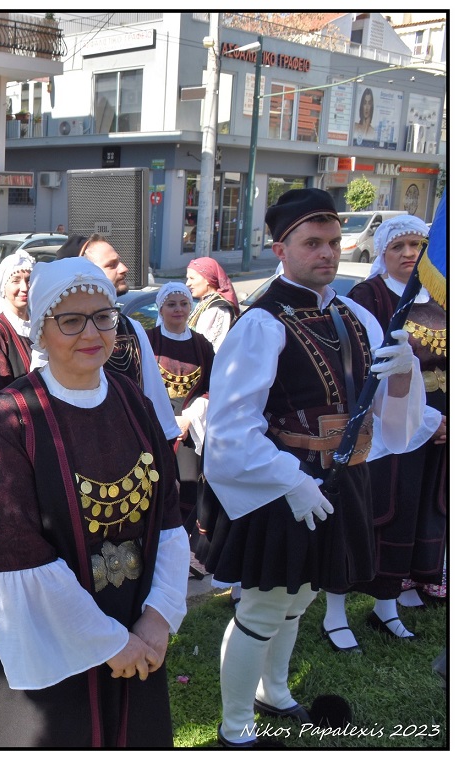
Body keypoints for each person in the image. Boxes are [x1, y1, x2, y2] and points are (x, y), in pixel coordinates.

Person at [201, 189, 425, 747]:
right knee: (264, 606)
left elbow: (388, 417)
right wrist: (292, 481)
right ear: (281, 249)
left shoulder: (352, 314)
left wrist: (403, 374)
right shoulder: (261, 324)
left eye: (332, 242)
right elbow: (231, 428)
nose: (325, 253)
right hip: (283, 485)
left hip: (345, 480)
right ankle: (235, 729)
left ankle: (273, 691)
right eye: (311, 243)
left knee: (300, 598)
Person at [0, 257, 188, 747]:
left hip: (134, 615)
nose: (92, 333)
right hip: (49, 629)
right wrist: (108, 642)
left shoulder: (133, 401)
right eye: (71, 320)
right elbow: (15, 549)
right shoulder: (10, 418)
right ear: (41, 329)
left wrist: (158, 616)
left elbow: (168, 517)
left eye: (103, 317)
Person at [321, 214, 446, 649]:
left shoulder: (440, 295)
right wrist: (426, 419)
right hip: (381, 428)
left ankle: (386, 605)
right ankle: (335, 613)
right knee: (363, 515)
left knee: (407, 516)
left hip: (429, 429)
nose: (409, 254)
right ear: (383, 253)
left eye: (417, 246)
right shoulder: (366, 298)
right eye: (399, 247)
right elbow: (359, 366)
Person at [54, 234, 182, 441]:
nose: (123, 268)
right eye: (111, 265)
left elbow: (155, 403)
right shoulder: (54, 333)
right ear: (84, 274)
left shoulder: (132, 328)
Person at [145, 282, 214, 523]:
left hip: (189, 424)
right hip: (154, 421)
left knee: (188, 484)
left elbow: (213, 386)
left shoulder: (202, 344)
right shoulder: (148, 341)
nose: (178, 309)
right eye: (171, 304)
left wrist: (190, 418)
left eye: (184, 304)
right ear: (160, 309)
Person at [0, 251, 35, 395]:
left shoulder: (41, 324)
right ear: (3, 287)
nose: (24, 288)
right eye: (16, 281)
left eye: (29, 280)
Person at [186, 257, 240, 352]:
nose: (188, 283)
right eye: (188, 278)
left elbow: (213, 347)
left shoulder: (217, 308)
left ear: (207, 279)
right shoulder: (204, 302)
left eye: (192, 278)